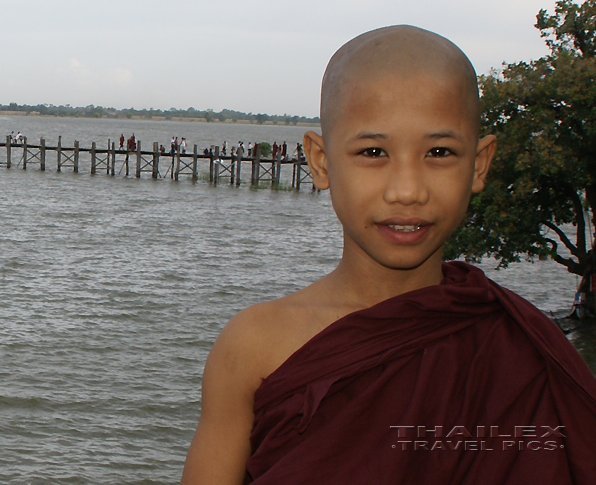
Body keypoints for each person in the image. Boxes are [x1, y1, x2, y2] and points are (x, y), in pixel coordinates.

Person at [182, 25, 596, 485]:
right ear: (320, 162)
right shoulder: (254, 346)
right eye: (373, 151)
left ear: (479, 164)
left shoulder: (522, 352)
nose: (407, 191)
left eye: (439, 152)